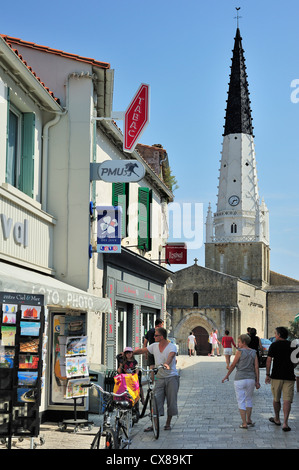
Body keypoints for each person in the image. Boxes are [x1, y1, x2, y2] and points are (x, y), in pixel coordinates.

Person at [134, 327, 179, 431]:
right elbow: (143, 350)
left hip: (171, 377)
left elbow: (171, 356)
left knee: (171, 401)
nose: (153, 337)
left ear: (161, 337)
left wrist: (166, 364)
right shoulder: (154, 346)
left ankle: (168, 423)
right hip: (159, 377)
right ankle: (154, 424)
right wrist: (132, 353)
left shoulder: (172, 347)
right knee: (156, 400)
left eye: (156, 335)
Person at [222, 334, 260, 429]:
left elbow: (233, 365)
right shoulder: (253, 352)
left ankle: (244, 423)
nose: (237, 344)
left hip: (240, 379)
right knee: (249, 399)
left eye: (239, 342)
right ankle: (249, 419)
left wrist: (227, 376)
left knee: (241, 401)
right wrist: (257, 381)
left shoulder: (240, 352)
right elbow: (256, 367)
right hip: (251, 379)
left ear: (243, 342)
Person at [265, 327, 297, 432]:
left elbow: (269, 361)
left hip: (276, 376)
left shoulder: (274, 345)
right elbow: (296, 360)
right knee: (287, 400)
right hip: (289, 376)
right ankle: (285, 423)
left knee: (276, 398)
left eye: (275, 334)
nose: (275, 336)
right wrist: (291, 367)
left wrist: (267, 374)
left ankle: (277, 419)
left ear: (279, 335)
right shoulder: (293, 345)